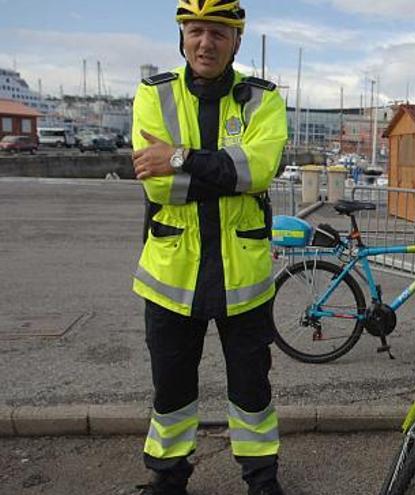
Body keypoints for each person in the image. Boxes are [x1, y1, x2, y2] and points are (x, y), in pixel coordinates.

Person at [130, 1, 288, 493]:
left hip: (243, 277)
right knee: (172, 390)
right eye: (196, 31)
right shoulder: (152, 94)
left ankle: (261, 479)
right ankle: (168, 478)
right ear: (182, 36)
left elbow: (257, 170)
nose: (206, 43)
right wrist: (226, 172)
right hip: (171, 276)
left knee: (252, 390)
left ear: (237, 41)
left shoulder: (263, 99)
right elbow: (159, 188)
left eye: (219, 33)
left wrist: (178, 158)